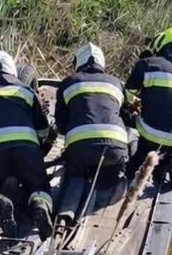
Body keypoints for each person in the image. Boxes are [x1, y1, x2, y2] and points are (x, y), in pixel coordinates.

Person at [0, 50, 54, 240]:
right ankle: (39, 204)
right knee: (39, 186)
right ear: (13, 70)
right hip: (26, 150)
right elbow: (43, 128)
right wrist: (39, 151)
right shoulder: (26, 90)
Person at [123, 26, 172, 181]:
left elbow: (127, 94)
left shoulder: (147, 64)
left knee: (139, 136)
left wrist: (134, 103)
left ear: (162, 43)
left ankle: (135, 160)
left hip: (148, 133)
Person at [55, 43, 130, 184]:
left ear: (77, 63)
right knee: (110, 180)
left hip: (79, 150)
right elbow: (126, 118)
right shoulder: (117, 83)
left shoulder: (69, 82)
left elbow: (61, 125)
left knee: (74, 178)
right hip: (114, 149)